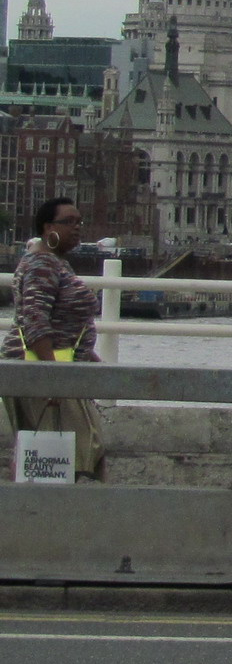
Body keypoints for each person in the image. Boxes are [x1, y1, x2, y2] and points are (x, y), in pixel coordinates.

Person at [8, 198, 106, 478]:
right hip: (42, 371)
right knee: (76, 452)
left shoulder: (55, 261)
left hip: (59, 368)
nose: (77, 228)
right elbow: (35, 321)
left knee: (80, 453)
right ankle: (55, 515)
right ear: (48, 227)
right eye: (68, 222)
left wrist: (91, 359)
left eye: (79, 222)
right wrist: (52, 378)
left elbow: (67, 323)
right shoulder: (42, 264)